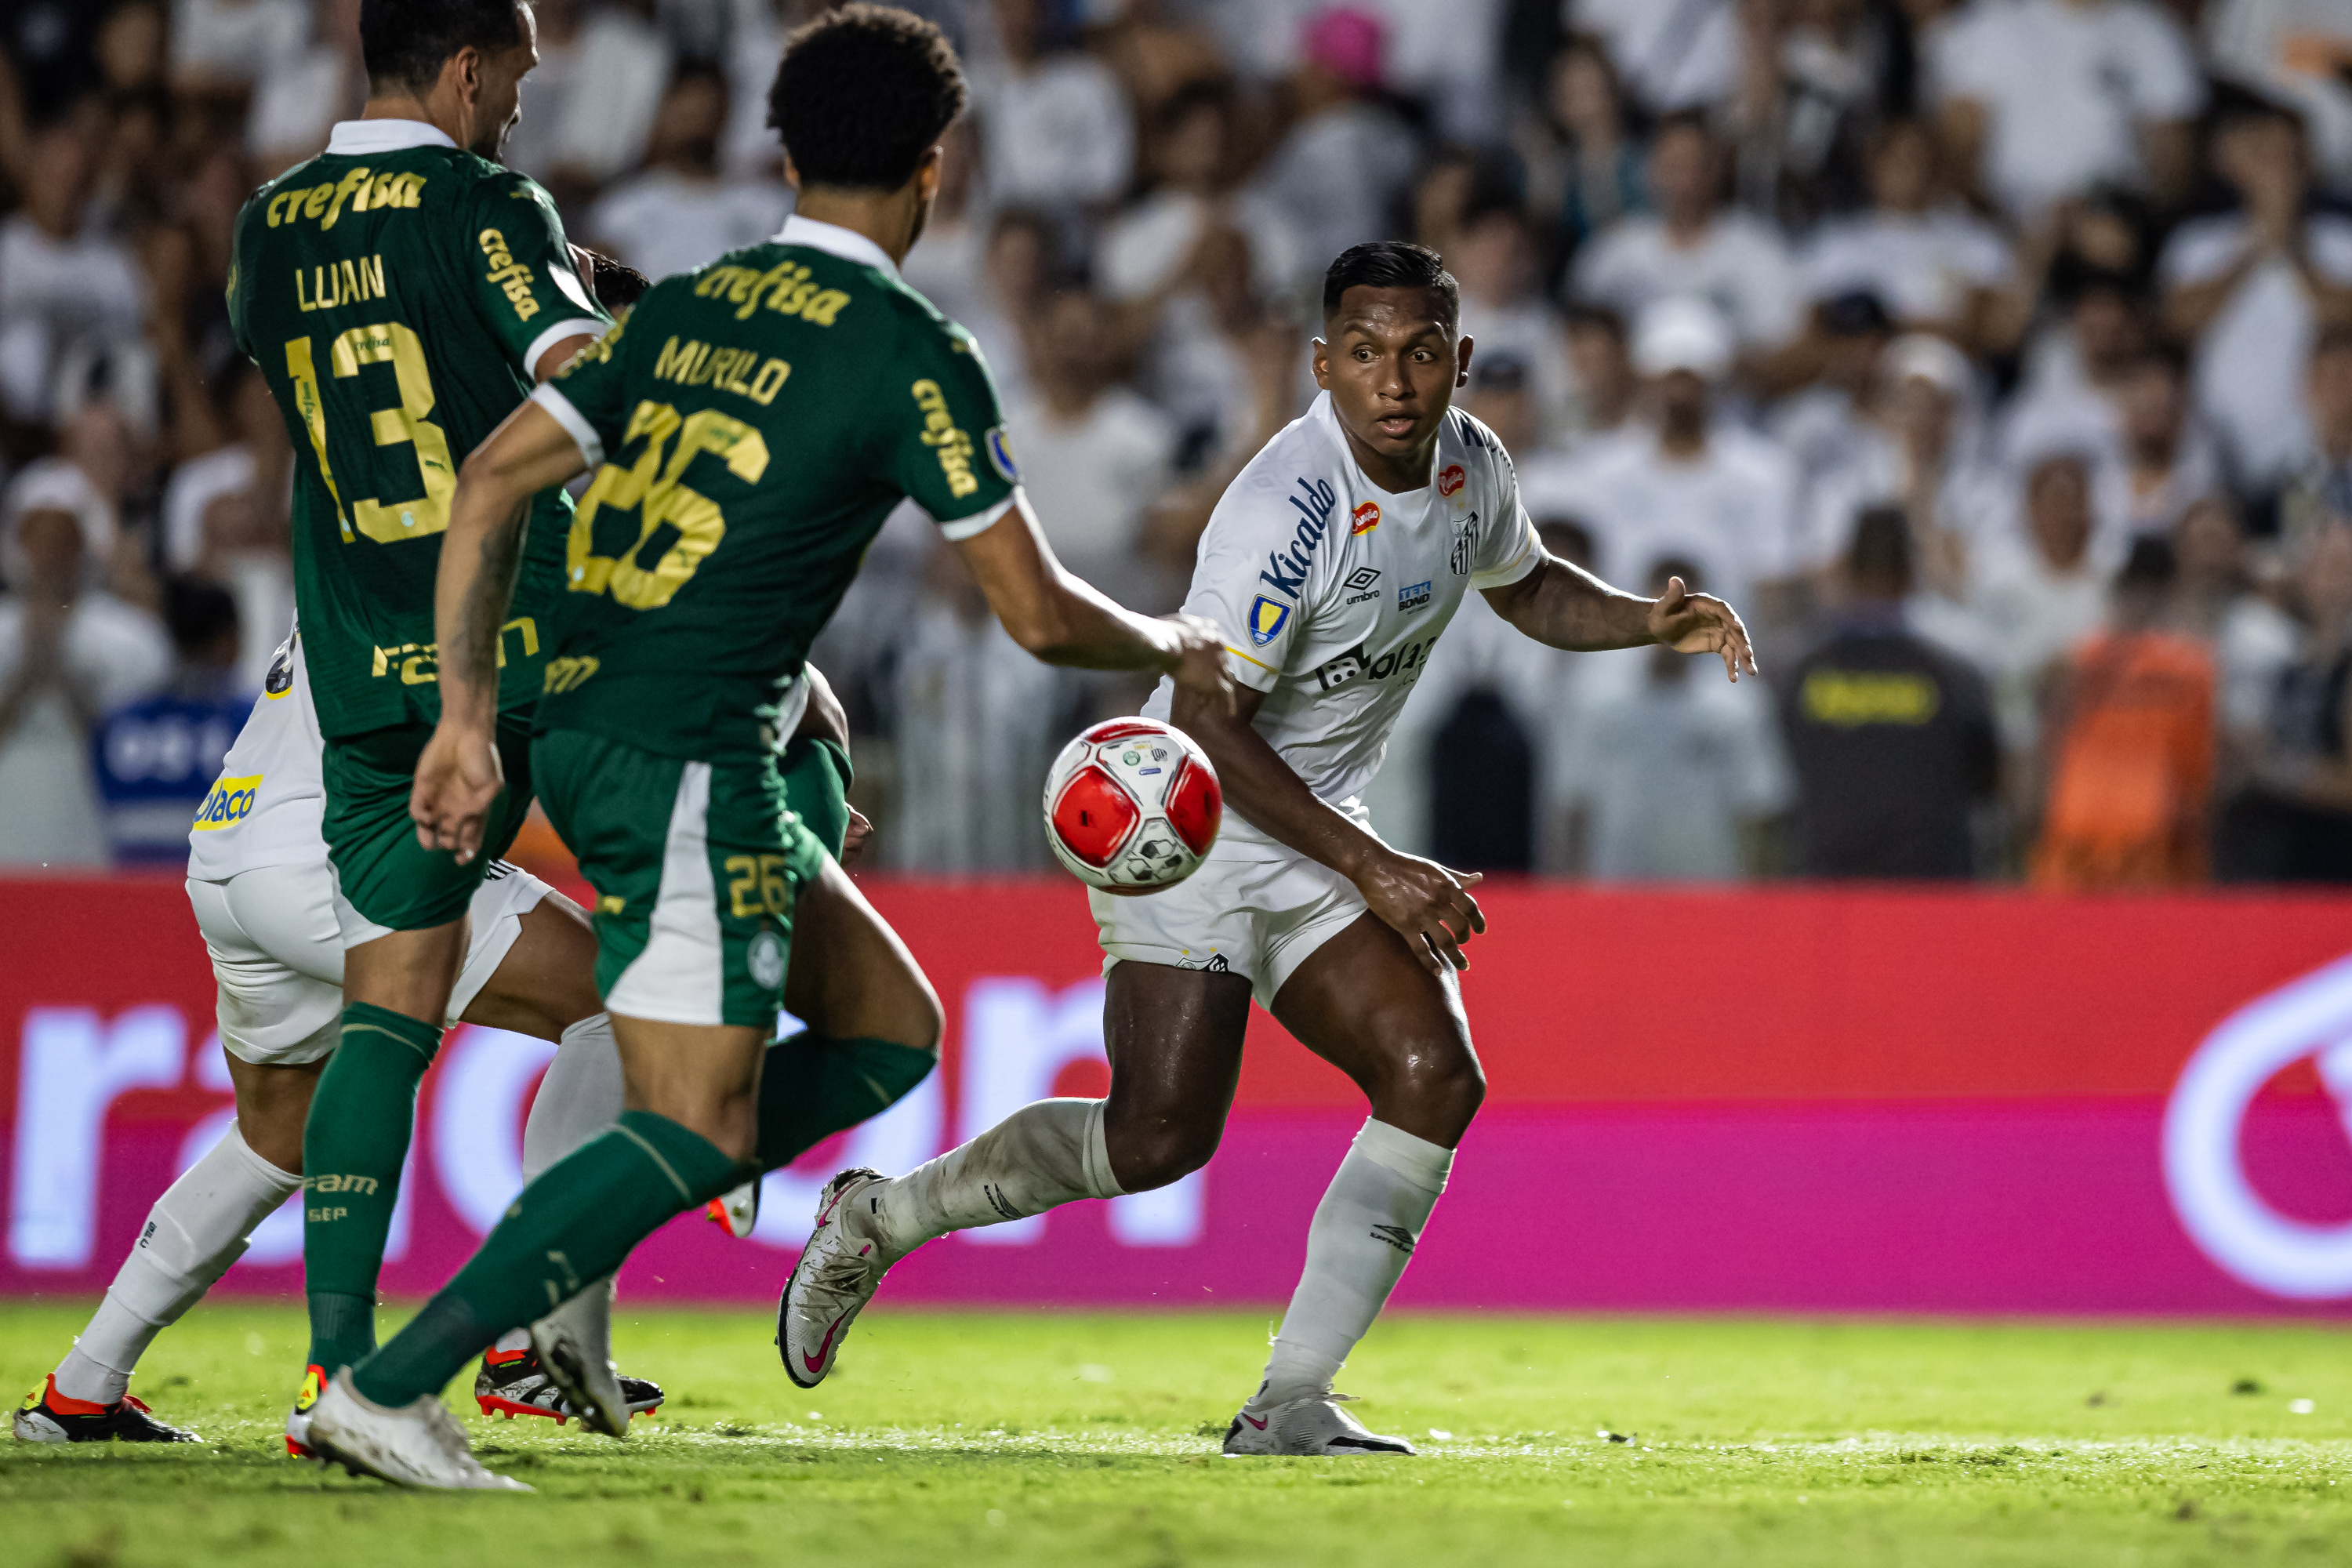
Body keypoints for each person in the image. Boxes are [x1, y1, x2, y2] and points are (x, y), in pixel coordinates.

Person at [307, 4, 1232, 1490]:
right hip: (688, 752)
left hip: (607, 729)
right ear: (939, 170)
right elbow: (1045, 621)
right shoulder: (909, 350)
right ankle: (394, 1383)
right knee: (697, 1121)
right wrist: (1177, 645)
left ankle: (590, 1248)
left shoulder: (685, 307)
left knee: (889, 1030)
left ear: (785, 150)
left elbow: (490, 480)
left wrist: (473, 719)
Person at [780, 239, 1754, 1458]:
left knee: (1434, 1074)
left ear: (1460, 359)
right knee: (1156, 1141)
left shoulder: (1472, 462)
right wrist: (1377, 865)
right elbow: (1208, 720)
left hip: (1317, 832)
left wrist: (1643, 621)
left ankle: (1290, 1397)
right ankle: (880, 1216)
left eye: (1417, 353)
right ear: (1321, 363)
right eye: (1362, 353)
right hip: (1188, 824)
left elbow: (1526, 585)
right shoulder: (1282, 509)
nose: (1392, 381)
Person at [223, 0, 633, 1444]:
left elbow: (305, 396)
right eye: (513, 79)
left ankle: (341, 1380)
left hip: (353, 674)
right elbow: (575, 370)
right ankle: (530, 1328)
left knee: (388, 1023)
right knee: (674, 967)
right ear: (467, 68)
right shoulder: (485, 201)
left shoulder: (267, 226)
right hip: (506, 659)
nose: (518, 107)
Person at [1780, 507, 1997, 879]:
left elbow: (1785, 777)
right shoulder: (1952, 677)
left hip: (1832, 889)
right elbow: (1985, 782)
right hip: (1929, 888)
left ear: (1846, 570)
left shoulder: (1803, 676)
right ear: (1911, 576)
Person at [2034, 536, 2216, 888]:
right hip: (2152, 836)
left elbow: (2047, 738)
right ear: (2172, 590)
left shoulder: (2075, 660)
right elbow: (2200, 774)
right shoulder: (2194, 667)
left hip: (2080, 831)